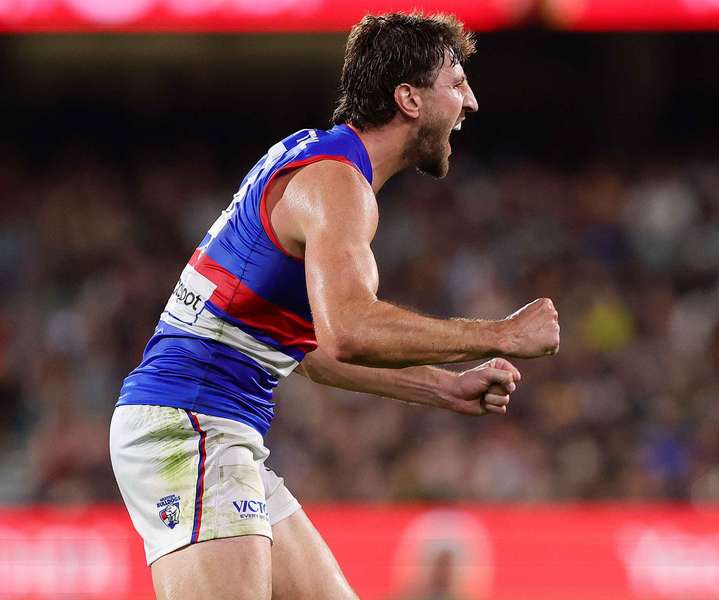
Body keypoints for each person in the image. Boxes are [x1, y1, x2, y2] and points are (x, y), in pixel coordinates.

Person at [110, 12, 560, 600]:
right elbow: (349, 330)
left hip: (209, 426)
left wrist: (443, 388)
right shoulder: (335, 185)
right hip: (192, 425)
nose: (470, 102)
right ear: (409, 99)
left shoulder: (316, 161)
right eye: (456, 84)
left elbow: (315, 350)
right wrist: (500, 333)